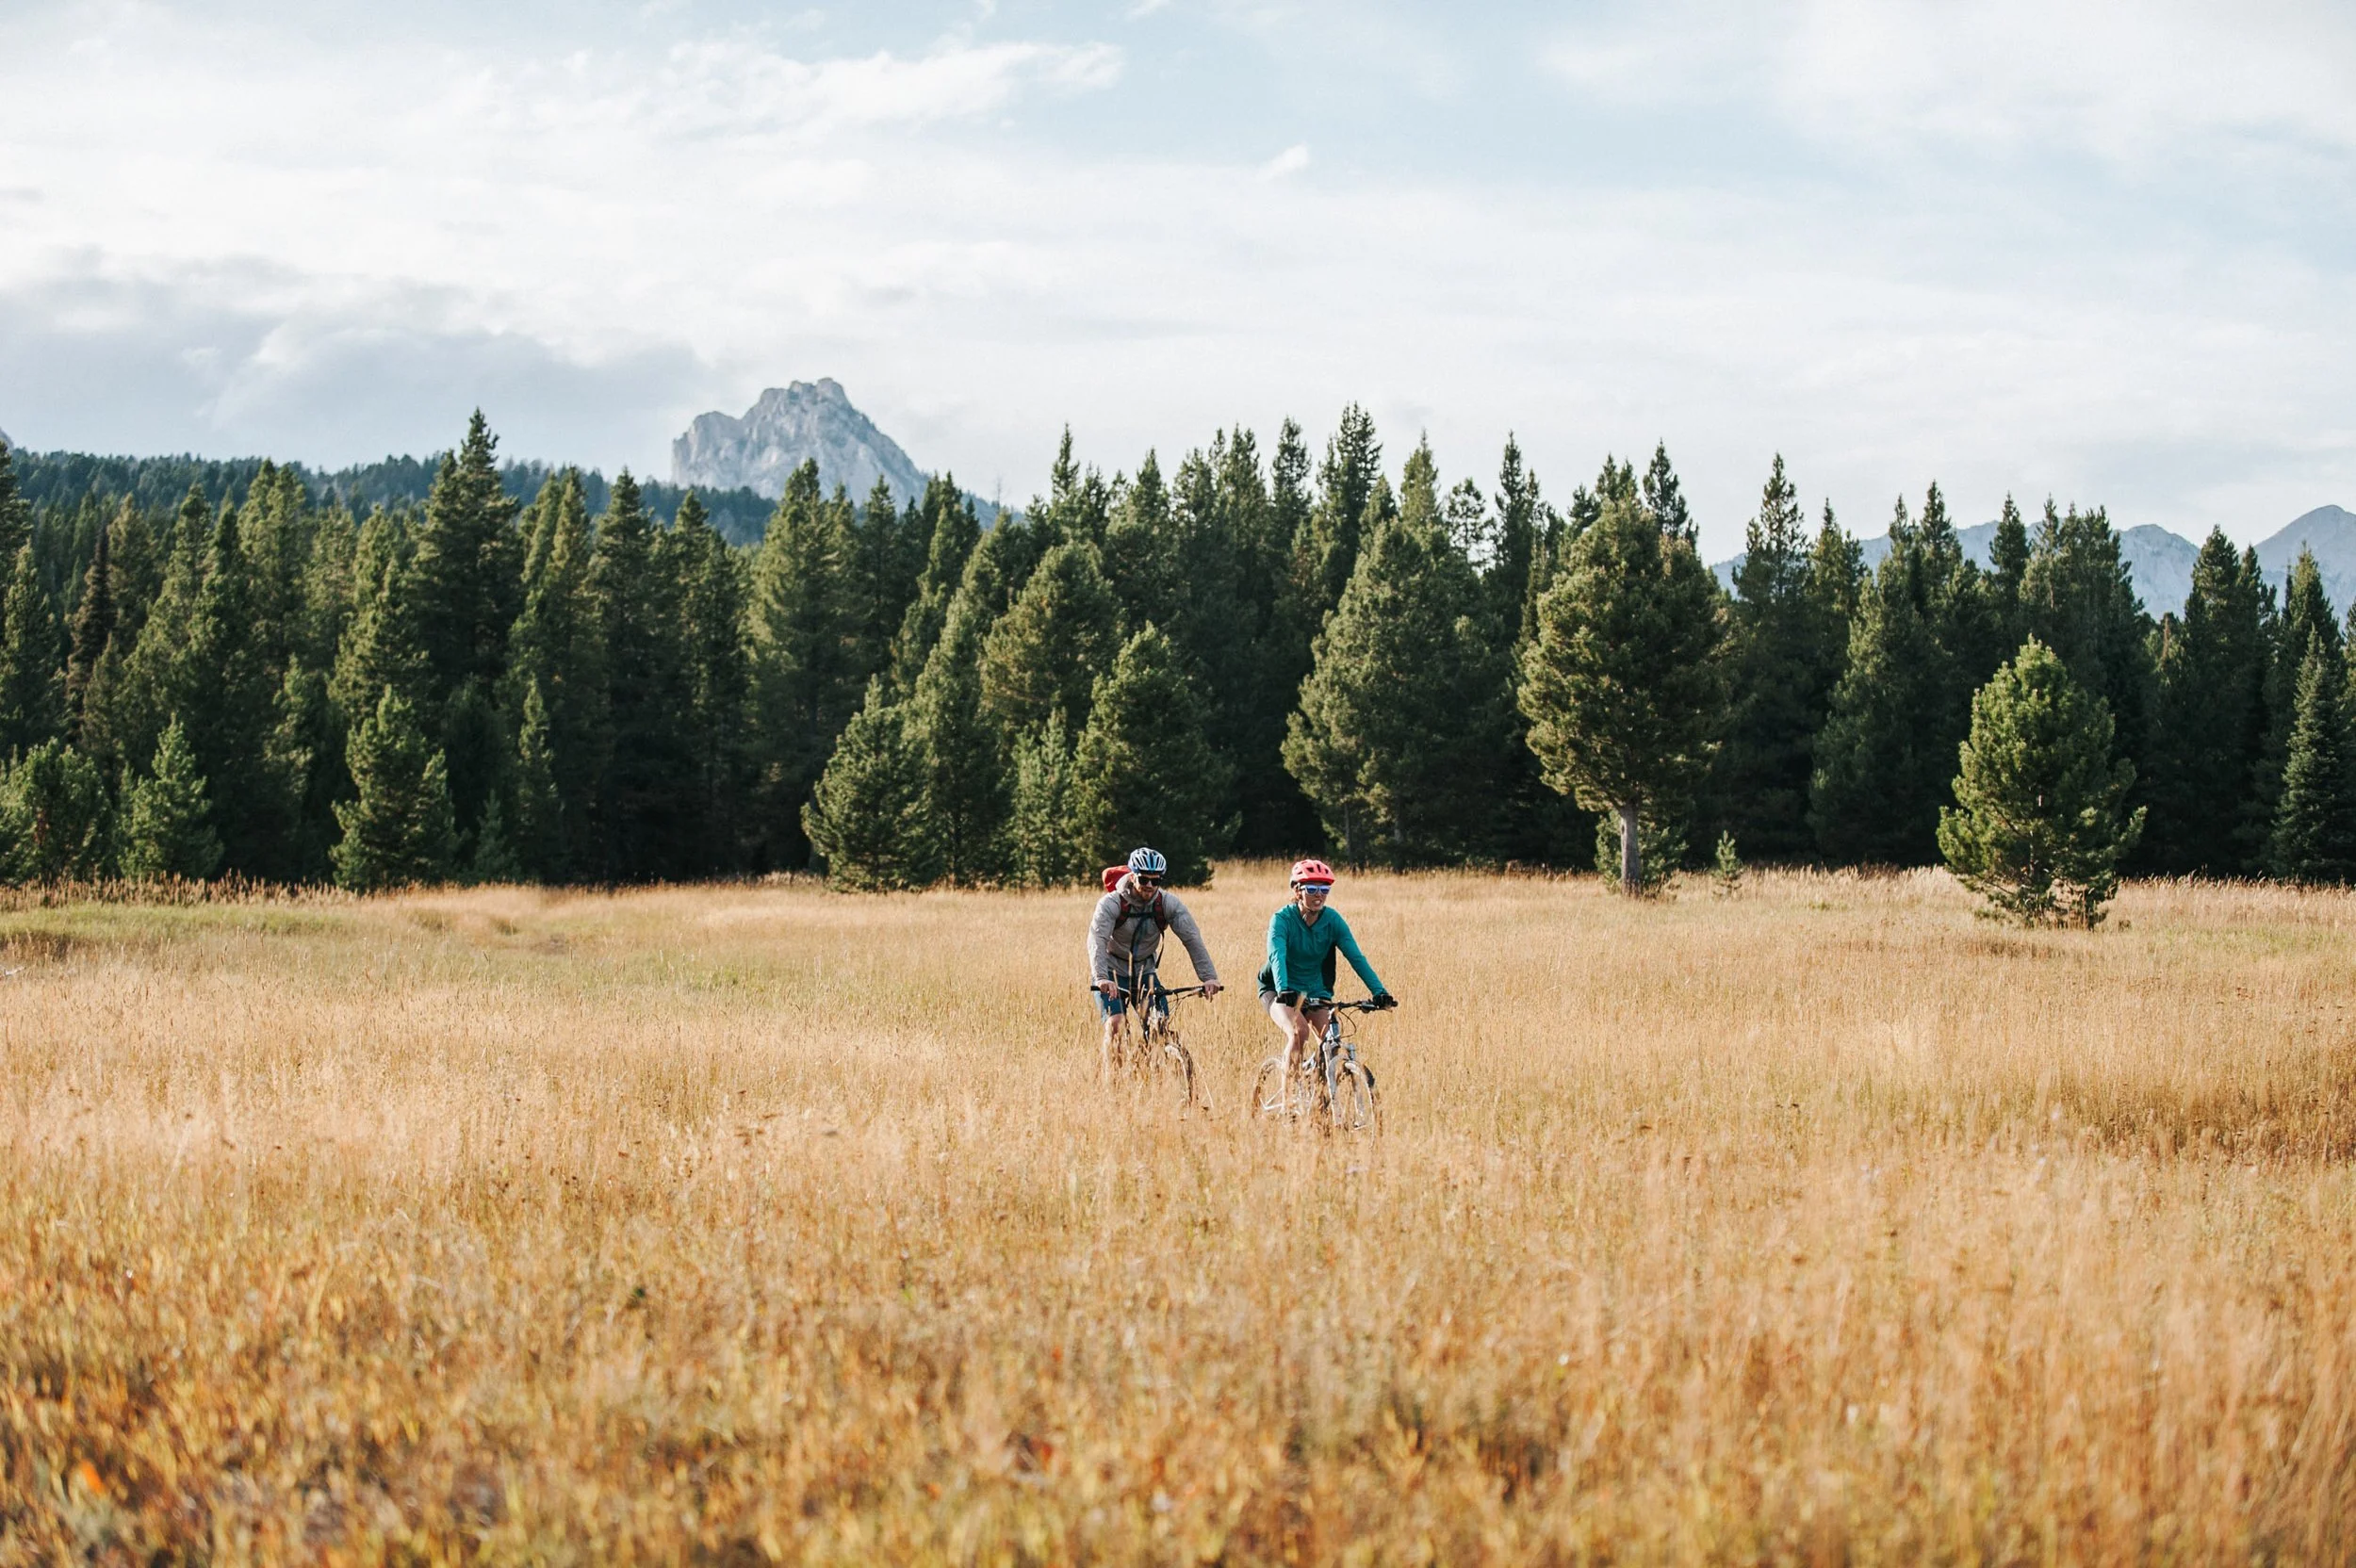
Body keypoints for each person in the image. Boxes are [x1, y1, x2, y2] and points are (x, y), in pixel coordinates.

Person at [1258, 858, 1396, 1079]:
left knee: (1331, 1043)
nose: (1318, 895)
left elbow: (1356, 957)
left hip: (1314, 990)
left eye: (1325, 889)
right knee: (1298, 1033)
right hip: (1278, 989)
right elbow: (1277, 956)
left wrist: (1380, 992)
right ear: (1297, 890)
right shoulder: (1281, 919)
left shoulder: (1332, 920)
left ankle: (1322, 1104)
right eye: (1311, 888)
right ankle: (1289, 1104)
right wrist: (1284, 988)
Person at [1088, 846, 1220, 1070]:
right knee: (1116, 1025)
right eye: (1143, 879)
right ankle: (1115, 1085)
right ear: (1132, 875)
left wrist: (1209, 977)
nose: (1149, 885)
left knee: (1159, 1025)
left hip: (1145, 972)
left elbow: (1192, 939)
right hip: (1111, 971)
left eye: (1155, 880)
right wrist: (1101, 977)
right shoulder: (1111, 903)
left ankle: (1149, 1070)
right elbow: (1097, 939)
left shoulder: (1168, 904)